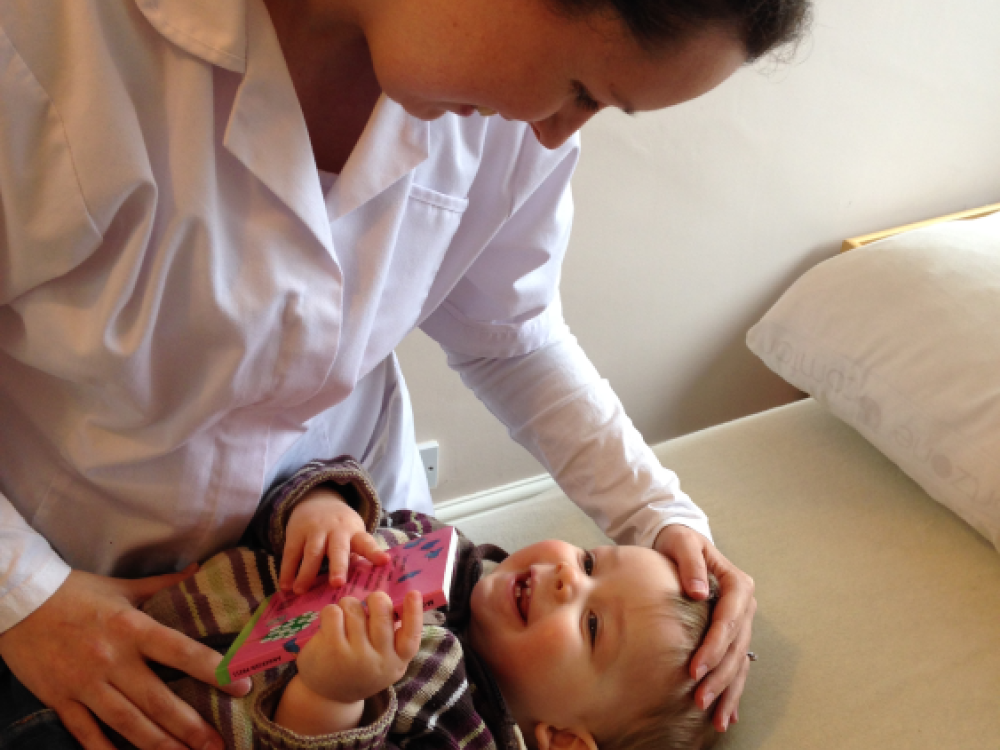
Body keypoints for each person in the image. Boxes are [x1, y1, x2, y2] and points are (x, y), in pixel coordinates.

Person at [0, 0, 808, 747]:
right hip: (63, 578)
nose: (558, 135)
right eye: (580, 88)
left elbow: (512, 334)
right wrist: (26, 594)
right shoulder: (50, 41)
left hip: (328, 537)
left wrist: (659, 519)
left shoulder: (501, 121)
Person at [144, 456, 723, 750]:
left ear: (564, 740)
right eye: (591, 561)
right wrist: (322, 510)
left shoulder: (459, 732)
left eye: (593, 624)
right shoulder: (443, 548)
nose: (569, 578)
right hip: (136, 611)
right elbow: (304, 503)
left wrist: (330, 697)